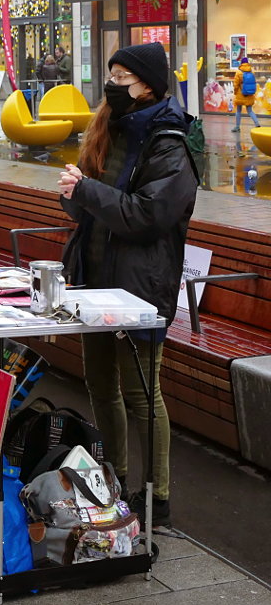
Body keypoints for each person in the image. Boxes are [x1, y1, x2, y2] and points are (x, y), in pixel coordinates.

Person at [57, 42, 199, 528]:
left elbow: (147, 216)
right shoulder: (109, 129)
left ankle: (156, 498)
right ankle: (113, 479)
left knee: (141, 393)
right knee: (100, 383)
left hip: (139, 288)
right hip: (94, 280)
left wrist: (88, 191)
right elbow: (90, 208)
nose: (113, 85)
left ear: (150, 87)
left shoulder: (171, 144)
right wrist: (74, 194)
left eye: (123, 77)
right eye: (111, 74)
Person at [232, 57, 261, 132]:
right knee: (250, 111)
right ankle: (257, 123)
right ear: (247, 63)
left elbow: (236, 84)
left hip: (240, 94)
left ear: (241, 63)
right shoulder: (252, 71)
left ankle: (237, 127)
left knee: (238, 111)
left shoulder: (238, 72)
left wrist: (235, 92)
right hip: (249, 93)